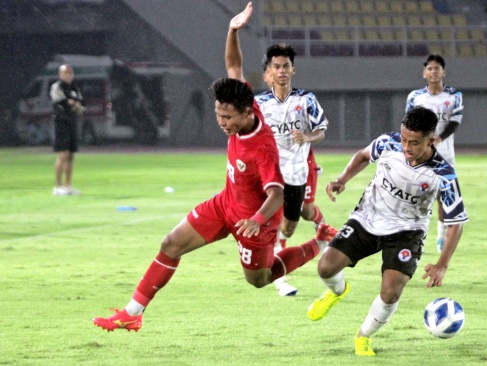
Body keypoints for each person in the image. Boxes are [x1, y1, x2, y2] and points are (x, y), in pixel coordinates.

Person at [92, 2, 337, 332]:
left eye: (227, 117)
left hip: (256, 222)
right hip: (225, 204)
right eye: (218, 114)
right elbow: (233, 65)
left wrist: (257, 219)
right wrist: (232, 30)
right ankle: (132, 313)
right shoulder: (245, 100)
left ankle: (319, 242)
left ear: (247, 113)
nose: (221, 122)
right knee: (170, 244)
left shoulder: (261, 148)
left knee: (260, 279)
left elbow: (277, 192)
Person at [306, 106, 468, 356]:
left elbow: (456, 221)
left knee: (391, 291)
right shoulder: (388, 143)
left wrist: (442, 264)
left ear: (431, 139)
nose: (406, 147)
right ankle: (337, 291)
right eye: (404, 139)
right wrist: (342, 179)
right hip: (367, 218)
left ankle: (363, 336)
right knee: (325, 267)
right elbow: (362, 156)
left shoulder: (443, 174)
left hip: (408, 231)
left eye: (414, 142)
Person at [255, 42, 331, 296]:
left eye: (286, 66)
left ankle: (321, 236)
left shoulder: (306, 100)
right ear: (270, 71)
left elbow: (321, 131)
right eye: (277, 67)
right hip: (271, 174)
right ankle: (279, 279)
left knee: (288, 227)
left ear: (293, 70)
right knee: (271, 224)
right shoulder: (259, 103)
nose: (282, 71)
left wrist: (307, 137)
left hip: (298, 171)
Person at [406, 54, 464, 253]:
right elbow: (408, 123)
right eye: (430, 68)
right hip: (420, 155)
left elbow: (455, 121)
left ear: (443, 72)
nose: (433, 72)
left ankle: (440, 236)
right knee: (415, 194)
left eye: (437, 68)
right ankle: (414, 235)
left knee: (442, 196)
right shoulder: (415, 97)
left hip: (445, 155)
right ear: (424, 73)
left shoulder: (454, 95)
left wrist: (439, 138)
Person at [50, 64, 83, 195]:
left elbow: (79, 103)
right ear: (60, 74)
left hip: (72, 123)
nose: (68, 75)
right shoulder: (57, 87)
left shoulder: (74, 87)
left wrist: (74, 103)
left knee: (71, 156)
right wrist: (72, 103)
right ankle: (57, 187)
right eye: (65, 73)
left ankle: (68, 186)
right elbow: (61, 102)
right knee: (63, 155)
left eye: (70, 73)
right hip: (61, 123)